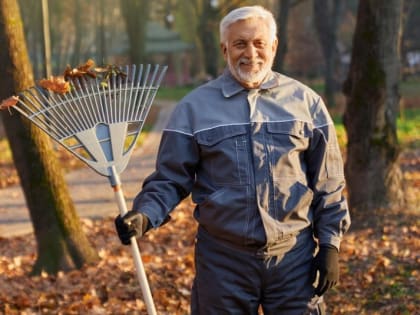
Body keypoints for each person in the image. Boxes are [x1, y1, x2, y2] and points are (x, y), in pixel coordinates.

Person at [115, 5, 351, 315]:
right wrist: (144, 215)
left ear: (274, 47)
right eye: (240, 44)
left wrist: (330, 246)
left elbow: (328, 182)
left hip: (294, 258)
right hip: (223, 262)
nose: (250, 53)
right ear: (225, 48)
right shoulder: (193, 109)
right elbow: (170, 179)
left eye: (258, 43)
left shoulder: (307, 104)